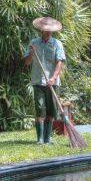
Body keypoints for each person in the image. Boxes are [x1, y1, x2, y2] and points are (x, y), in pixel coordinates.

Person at [23, 17, 66, 145]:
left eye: (50, 30)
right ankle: (40, 139)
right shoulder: (33, 43)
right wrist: (31, 53)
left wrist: (53, 78)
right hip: (37, 81)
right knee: (40, 108)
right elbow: (27, 62)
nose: (48, 32)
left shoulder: (57, 44)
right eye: (45, 30)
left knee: (51, 110)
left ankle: (48, 138)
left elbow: (59, 63)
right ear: (41, 30)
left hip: (52, 82)